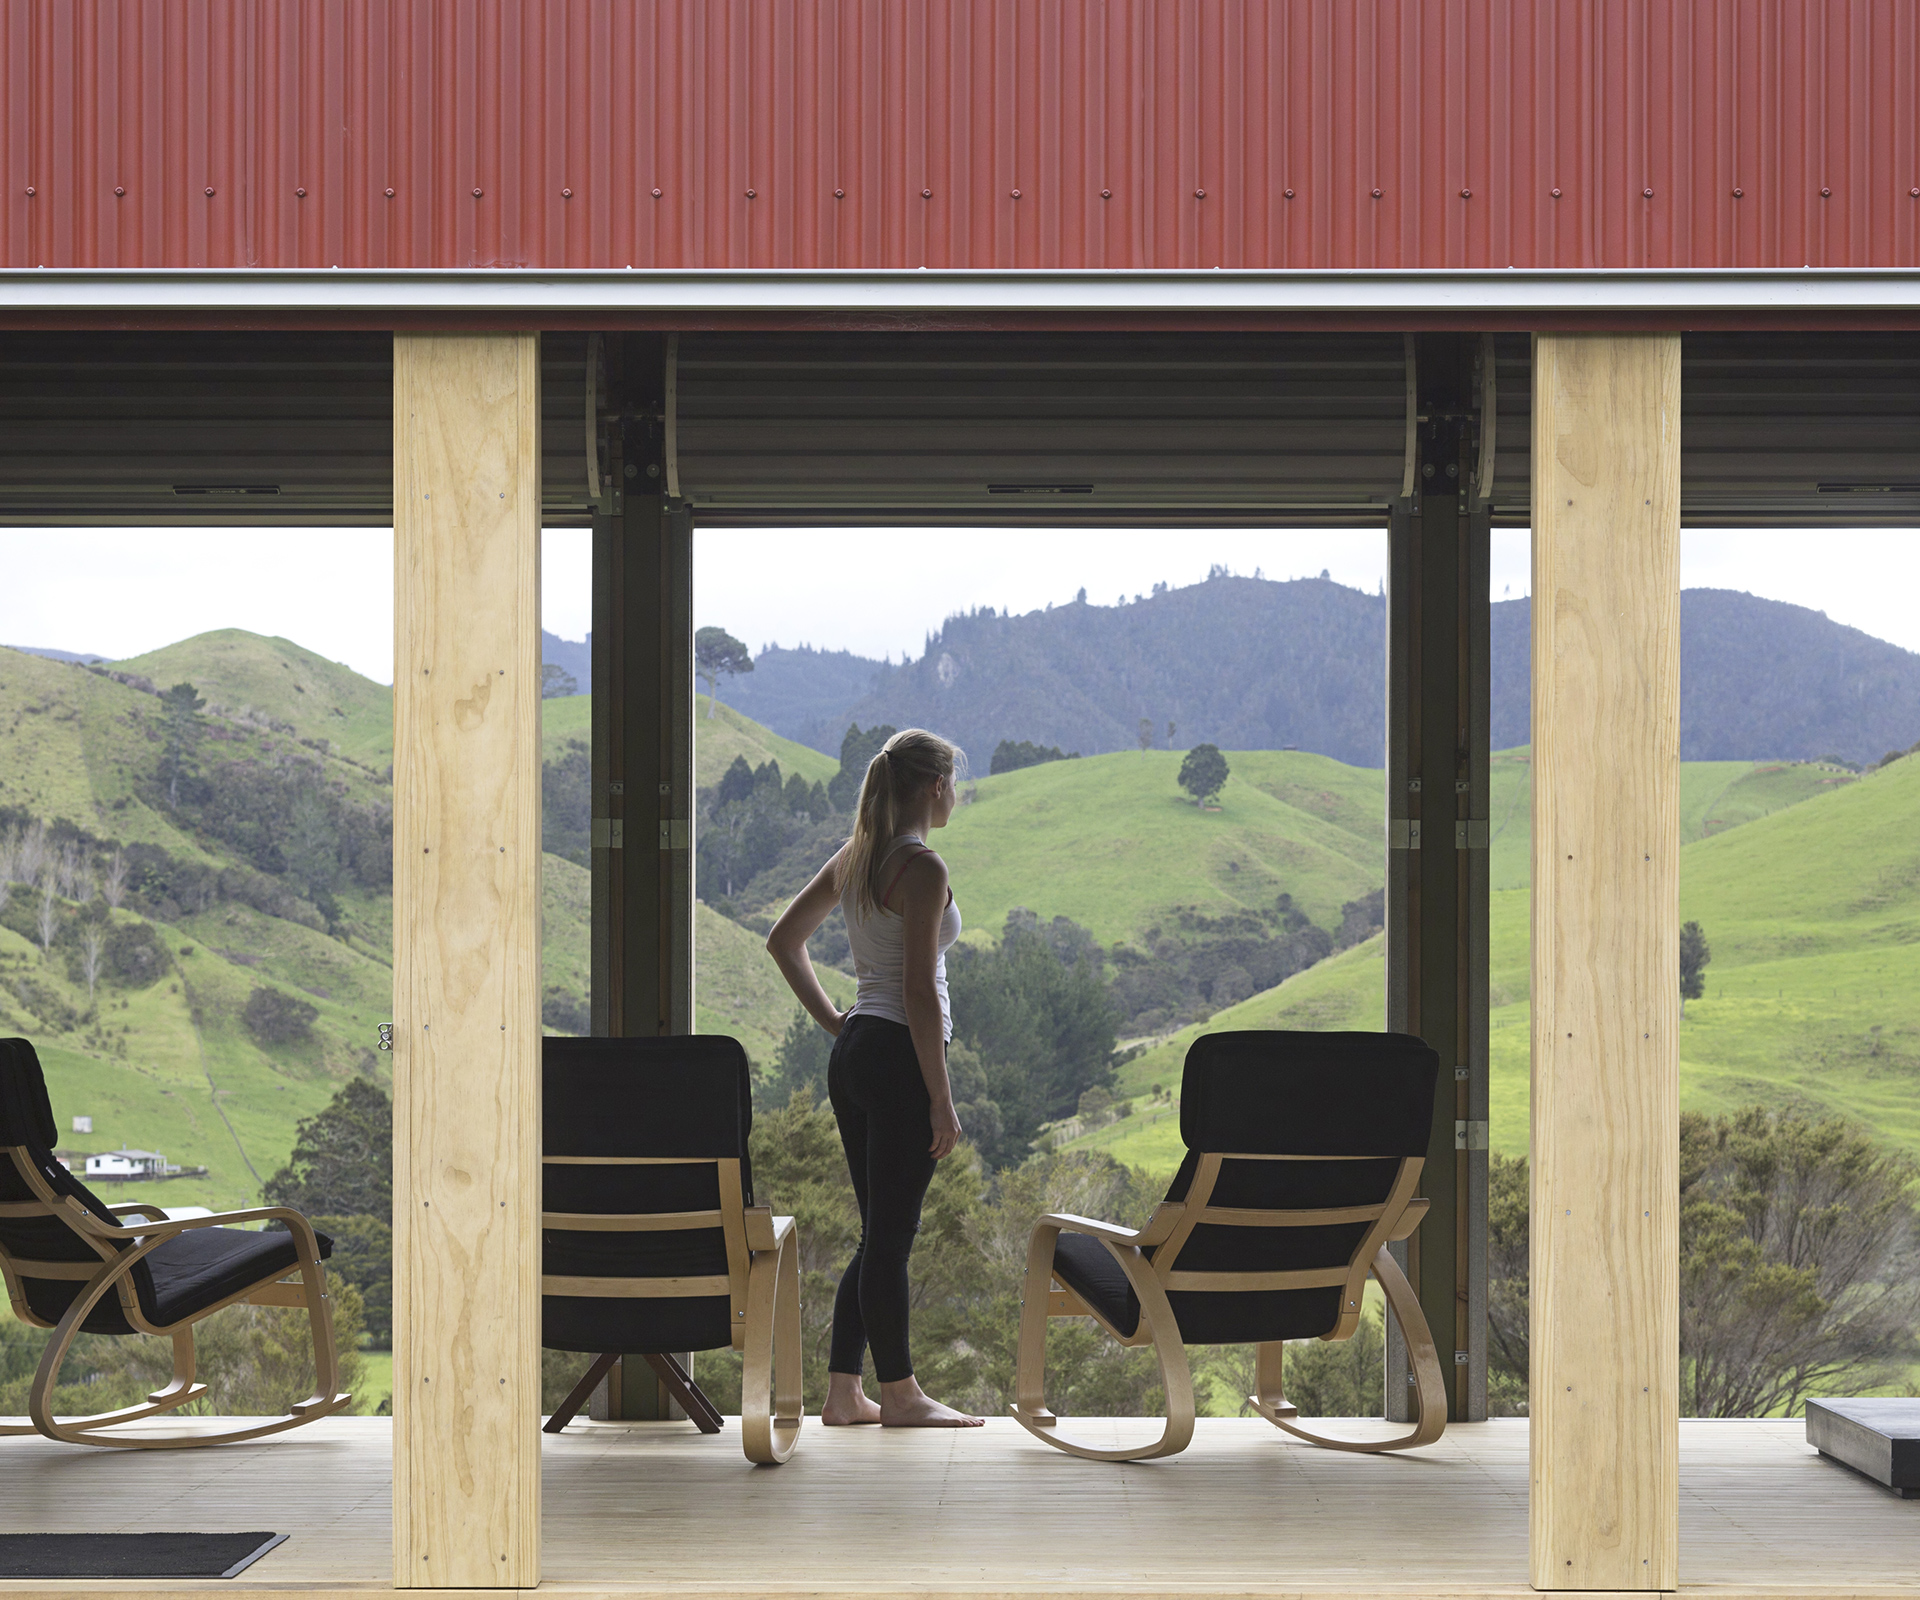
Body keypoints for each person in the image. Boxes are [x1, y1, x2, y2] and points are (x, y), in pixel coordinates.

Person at [765, 727, 984, 1428]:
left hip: (858, 1052)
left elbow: (784, 941)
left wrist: (839, 1024)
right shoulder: (922, 868)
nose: (956, 795)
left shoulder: (856, 856)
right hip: (897, 1058)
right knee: (892, 1235)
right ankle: (900, 1394)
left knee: (875, 1231)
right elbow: (919, 991)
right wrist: (941, 1099)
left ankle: (841, 1393)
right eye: (954, 783)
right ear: (933, 787)